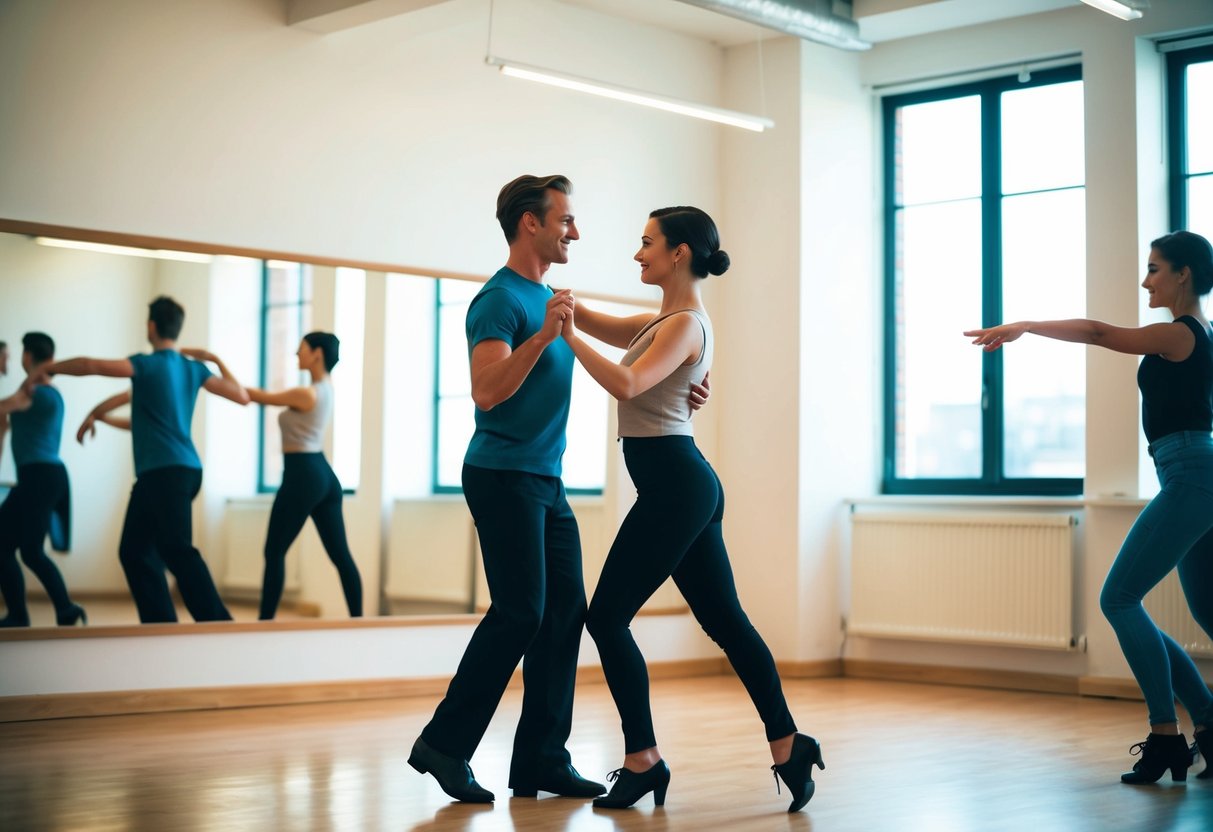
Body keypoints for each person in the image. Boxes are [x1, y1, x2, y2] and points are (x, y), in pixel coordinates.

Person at [408, 175, 708, 804]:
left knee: (564, 614)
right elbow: (486, 392)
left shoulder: (546, 294)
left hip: (546, 479)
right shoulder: (500, 301)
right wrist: (545, 336)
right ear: (530, 225)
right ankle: (444, 744)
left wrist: (686, 385)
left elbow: (649, 339)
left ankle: (543, 758)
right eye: (566, 220)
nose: (576, 231)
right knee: (520, 611)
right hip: (501, 474)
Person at [556, 206, 823, 812]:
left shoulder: (684, 325)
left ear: (679, 252)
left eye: (647, 242)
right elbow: (606, 324)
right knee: (727, 623)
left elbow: (627, 385)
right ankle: (789, 744)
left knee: (608, 617)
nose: (637, 253)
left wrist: (567, 338)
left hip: (678, 487)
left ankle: (642, 759)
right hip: (683, 486)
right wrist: (556, 302)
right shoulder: (666, 321)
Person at [965, 230, 1213, 784]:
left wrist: (1026, 325)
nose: (1145, 279)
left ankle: (1166, 737)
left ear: (1183, 275)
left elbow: (1101, 332)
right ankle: (1210, 725)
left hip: (1192, 473)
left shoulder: (1180, 334)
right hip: (1194, 471)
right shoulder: (1203, 334)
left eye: (1154, 268)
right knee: (1206, 613)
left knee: (1120, 599)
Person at [49, 296, 250, 623]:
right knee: (134, 550)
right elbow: (241, 395)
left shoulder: (145, 365)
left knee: (175, 549)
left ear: (151, 326)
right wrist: (96, 415)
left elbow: (91, 365)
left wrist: (51, 367)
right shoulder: (190, 369)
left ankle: (218, 623)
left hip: (165, 473)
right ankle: (161, 624)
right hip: (178, 472)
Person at [182, 334, 363, 620]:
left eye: (301, 348)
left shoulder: (308, 393)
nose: (295, 353)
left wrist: (216, 361)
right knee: (341, 556)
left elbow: (250, 395)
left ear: (317, 354)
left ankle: (265, 623)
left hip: (303, 474)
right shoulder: (326, 388)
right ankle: (358, 620)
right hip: (323, 474)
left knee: (274, 551)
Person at [0, 333, 85, 627]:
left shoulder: (36, 394)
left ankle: (44, 611)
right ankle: (61, 610)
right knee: (27, 551)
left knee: (21, 550)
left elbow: (6, 406)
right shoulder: (50, 393)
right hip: (42, 477)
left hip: (40, 477)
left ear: (27, 356)